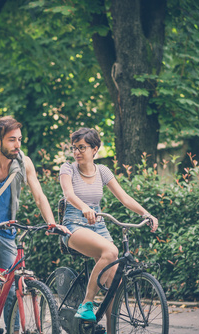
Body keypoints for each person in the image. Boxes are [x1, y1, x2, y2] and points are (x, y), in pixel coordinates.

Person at [0, 116, 70, 330]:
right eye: (12, 140)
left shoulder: (24, 162)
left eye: (20, 139)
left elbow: (39, 196)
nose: (18, 145)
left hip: (6, 231)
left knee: (14, 290)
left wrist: (51, 223)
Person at [59, 128, 158, 332]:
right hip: (73, 224)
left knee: (115, 280)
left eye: (82, 148)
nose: (77, 152)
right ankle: (86, 303)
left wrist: (146, 214)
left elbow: (124, 198)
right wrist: (84, 207)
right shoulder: (68, 169)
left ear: (95, 149)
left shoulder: (103, 171)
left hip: (98, 224)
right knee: (111, 252)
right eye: (74, 148)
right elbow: (68, 194)